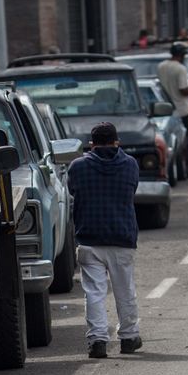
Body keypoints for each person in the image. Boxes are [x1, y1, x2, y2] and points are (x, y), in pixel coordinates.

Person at [67, 124, 141, 358]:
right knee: (125, 290)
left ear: (92, 143)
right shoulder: (130, 164)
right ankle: (129, 337)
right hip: (121, 237)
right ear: (116, 142)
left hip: (89, 238)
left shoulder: (77, 167)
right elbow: (132, 190)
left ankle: (98, 340)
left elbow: (72, 191)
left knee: (94, 292)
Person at [156, 42, 188, 118]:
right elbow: (183, 89)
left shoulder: (161, 66)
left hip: (165, 108)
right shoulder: (181, 68)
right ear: (182, 55)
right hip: (181, 110)